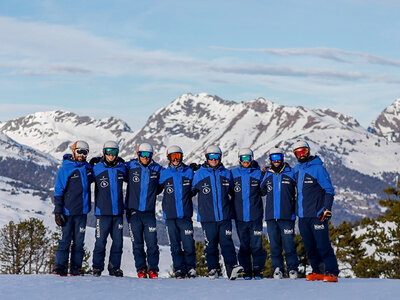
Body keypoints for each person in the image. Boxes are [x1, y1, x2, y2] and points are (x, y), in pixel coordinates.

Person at [192, 145, 243, 280]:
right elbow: (190, 191)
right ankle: (213, 269)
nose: (214, 160)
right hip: (207, 217)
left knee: (227, 243)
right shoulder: (199, 174)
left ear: (220, 158)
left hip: (224, 216)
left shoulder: (226, 173)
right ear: (206, 158)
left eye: (216, 157)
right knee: (211, 244)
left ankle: (231, 268)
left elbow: (234, 192)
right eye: (211, 157)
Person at [292, 140, 339, 282]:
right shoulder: (297, 170)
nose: (301, 155)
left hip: (317, 214)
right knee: (310, 246)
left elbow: (329, 190)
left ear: (308, 151)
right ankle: (317, 271)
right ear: (295, 154)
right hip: (303, 216)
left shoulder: (318, 169)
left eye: (304, 151)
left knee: (323, 244)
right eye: (298, 152)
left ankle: (332, 272)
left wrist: (327, 209)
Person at [52, 140, 93, 276]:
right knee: (65, 240)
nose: (81, 154)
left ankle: (76, 268)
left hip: (82, 212)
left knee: (79, 243)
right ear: (74, 151)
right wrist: (58, 211)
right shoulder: (66, 168)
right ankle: (60, 268)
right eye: (79, 151)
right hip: (68, 212)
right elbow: (59, 190)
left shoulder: (88, 168)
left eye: (84, 152)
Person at [125, 143, 163, 279]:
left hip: (149, 213)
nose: (145, 157)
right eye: (142, 154)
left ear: (151, 156)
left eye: (148, 155)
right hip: (133, 212)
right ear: (138, 154)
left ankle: (153, 270)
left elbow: (170, 176)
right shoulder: (130, 166)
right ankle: (141, 270)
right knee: (137, 244)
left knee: (152, 243)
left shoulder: (157, 169)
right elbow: (114, 166)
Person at [261, 147, 299, 279]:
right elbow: (261, 191)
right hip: (271, 217)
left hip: (287, 215)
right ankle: (277, 268)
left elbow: (299, 191)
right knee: (274, 245)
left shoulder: (291, 173)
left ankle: (292, 268)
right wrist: (261, 175)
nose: (276, 161)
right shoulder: (267, 175)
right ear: (270, 159)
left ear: (282, 158)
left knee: (289, 244)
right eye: (273, 158)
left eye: (278, 158)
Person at [159, 145, 196, 279]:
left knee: (188, 244)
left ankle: (190, 268)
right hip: (170, 216)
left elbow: (194, 189)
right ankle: (179, 269)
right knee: (175, 245)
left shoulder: (189, 172)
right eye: (173, 157)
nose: (175, 159)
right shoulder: (164, 174)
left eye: (178, 156)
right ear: (169, 158)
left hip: (185, 215)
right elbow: (156, 188)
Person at [91, 141, 127, 277]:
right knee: (100, 241)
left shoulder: (121, 168)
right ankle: (97, 267)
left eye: (114, 152)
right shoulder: (97, 168)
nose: (111, 155)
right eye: (108, 152)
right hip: (102, 212)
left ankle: (114, 268)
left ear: (117, 153)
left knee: (118, 242)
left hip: (117, 212)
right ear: (104, 152)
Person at [231, 148, 266, 280]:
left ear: (252, 158)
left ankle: (257, 270)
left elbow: (263, 192)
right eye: (243, 158)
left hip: (255, 216)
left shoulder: (258, 174)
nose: (246, 161)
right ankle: (246, 270)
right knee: (244, 245)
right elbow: (228, 190)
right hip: (240, 217)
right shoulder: (233, 174)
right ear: (239, 159)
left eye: (248, 158)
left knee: (257, 245)